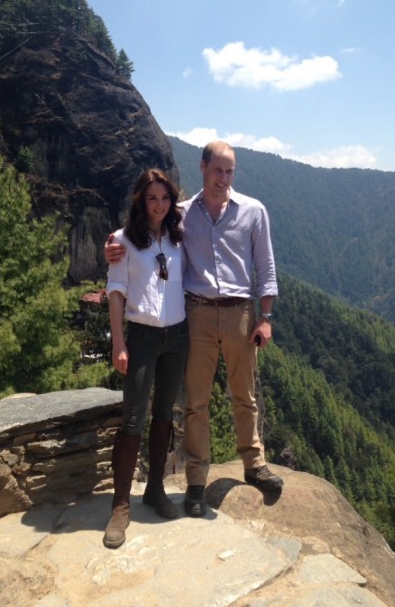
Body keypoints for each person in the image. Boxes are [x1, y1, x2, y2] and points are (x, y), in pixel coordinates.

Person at [105, 140, 283, 519]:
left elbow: (266, 267)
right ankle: (196, 483)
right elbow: (141, 236)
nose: (223, 178)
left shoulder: (254, 210)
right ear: (202, 168)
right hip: (196, 314)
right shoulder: (181, 215)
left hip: (240, 314)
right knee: (196, 402)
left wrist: (266, 318)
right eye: (217, 169)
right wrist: (112, 247)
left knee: (244, 394)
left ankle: (254, 465)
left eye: (229, 170)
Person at [103, 168, 188, 549]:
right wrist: (118, 341)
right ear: (141, 200)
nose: (159, 204)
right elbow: (116, 290)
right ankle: (121, 504)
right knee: (133, 416)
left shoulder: (178, 235)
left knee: (165, 413)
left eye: (165, 198)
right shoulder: (122, 242)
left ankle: (154, 489)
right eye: (152, 198)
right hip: (140, 335)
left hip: (177, 335)